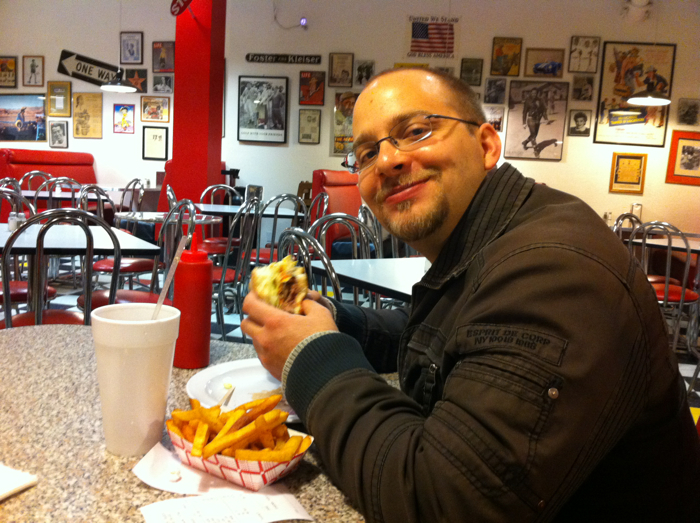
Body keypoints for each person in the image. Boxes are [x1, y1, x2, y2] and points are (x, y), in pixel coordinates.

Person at [241, 67, 700, 522]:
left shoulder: (556, 271)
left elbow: (441, 501)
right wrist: (339, 322)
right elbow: (456, 333)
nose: (387, 161)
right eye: (365, 153)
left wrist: (314, 358)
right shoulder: (493, 237)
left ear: (485, 145)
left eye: (416, 131)